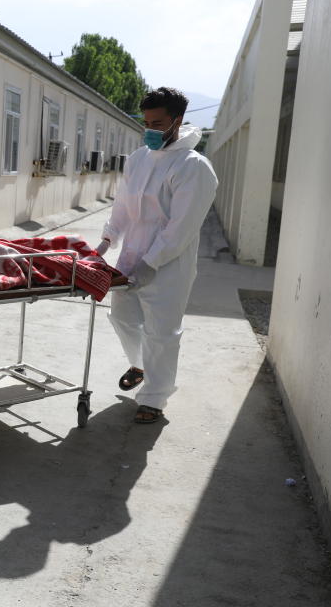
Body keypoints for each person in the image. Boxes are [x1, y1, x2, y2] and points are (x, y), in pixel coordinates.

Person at [95, 87, 218, 424]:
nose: (150, 129)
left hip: (169, 265)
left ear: (177, 121)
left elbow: (182, 227)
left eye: (158, 122)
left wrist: (150, 265)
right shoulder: (138, 159)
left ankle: (154, 398)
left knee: (162, 332)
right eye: (146, 122)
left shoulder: (193, 166)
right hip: (131, 256)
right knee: (121, 317)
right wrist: (107, 241)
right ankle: (141, 365)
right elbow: (123, 206)